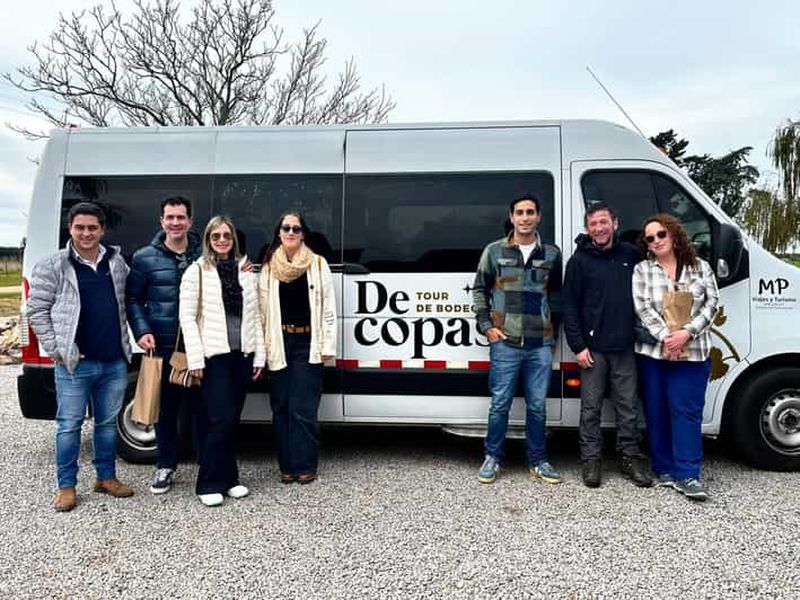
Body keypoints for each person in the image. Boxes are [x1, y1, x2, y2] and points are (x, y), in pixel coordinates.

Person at [27, 202, 134, 512]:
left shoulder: (116, 263)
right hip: (75, 365)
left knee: (105, 425)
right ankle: (66, 486)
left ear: (102, 230)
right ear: (70, 229)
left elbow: (128, 299)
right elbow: (36, 310)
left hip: (113, 361)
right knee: (69, 426)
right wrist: (56, 348)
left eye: (92, 228)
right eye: (80, 227)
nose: (86, 233)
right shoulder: (54, 265)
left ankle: (106, 478)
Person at [473, 195, 563, 484]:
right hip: (505, 342)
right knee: (500, 404)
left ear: (539, 217)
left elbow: (557, 297)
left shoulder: (552, 253)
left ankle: (538, 461)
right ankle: (492, 457)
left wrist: (554, 332)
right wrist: (487, 326)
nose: (525, 218)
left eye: (530, 212)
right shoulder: (494, 251)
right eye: (519, 213)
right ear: (511, 217)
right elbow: (479, 291)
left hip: (541, 345)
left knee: (537, 406)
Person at [562, 202, 652, 488]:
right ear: (587, 229)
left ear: (615, 223)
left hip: (625, 346)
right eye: (593, 224)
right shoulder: (579, 261)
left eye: (603, 222)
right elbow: (570, 307)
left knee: (627, 407)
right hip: (593, 350)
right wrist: (578, 346)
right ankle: (591, 459)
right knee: (591, 408)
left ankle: (630, 457)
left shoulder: (632, 255)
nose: (598, 228)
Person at [179, 215, 265, 507]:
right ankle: (208, 483)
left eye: (226, 236)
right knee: (220, 418)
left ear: (233, 239)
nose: (222, 241)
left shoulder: (247, 271)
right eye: (216, 236)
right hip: (212, 357)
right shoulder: (197, 271)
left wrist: (259, 356)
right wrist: (195, 360)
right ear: (208, 240)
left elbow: (257, 319)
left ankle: (230, 479)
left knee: (232, 420)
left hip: (242, 355)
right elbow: (188, 318)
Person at [633, 214, 719, 501]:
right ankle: (664, 468)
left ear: (674, 235)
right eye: (650, 238)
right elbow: (643, 309)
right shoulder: (643, 270)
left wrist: (687, 333)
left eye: (661, 234)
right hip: (655, 354)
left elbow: (712, 303)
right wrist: (667, 339)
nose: (656, 240)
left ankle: (688, 474)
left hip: (693, 353)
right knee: (656, 411)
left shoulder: (700, 268)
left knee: (686, 412)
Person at [126, 197, 202, 495]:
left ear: (190, 222)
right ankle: (165, 466)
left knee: (201, 410)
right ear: (161, 221)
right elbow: (132, 298)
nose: (175, 223)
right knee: (165, 411)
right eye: (170, 217)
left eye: (181, 217)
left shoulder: (204, 253)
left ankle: (206, 465)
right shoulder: (145, 258)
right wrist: (142, 330)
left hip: (197, 348)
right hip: (163, 347)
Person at [259, 211, 336, 484]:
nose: (290, 232)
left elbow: (328, 308)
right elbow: (262, 314)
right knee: (280, 407)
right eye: (286, 228)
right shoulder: (268, 266)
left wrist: (328, 344)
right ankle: (287, 466)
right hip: (279, 343)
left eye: (296, 228)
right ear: (278, 233)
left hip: (307, 343)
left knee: (302, 408)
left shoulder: (317, 263)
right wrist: (261, 352)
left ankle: (305, 464)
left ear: (303, 233)